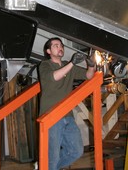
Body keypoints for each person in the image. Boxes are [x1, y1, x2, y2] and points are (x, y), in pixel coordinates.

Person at [38, 37, 96, 170]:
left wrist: (91, 65)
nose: (60, 47)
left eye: (61, 45)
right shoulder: (44, 65)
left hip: (68, 116)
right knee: (53, 157)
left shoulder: (67, 65)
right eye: (56, 45)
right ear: (48, 51)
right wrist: (72, 63)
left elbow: (88, 76)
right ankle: (46, 166)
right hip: (51, 116)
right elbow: (54, 77)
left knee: (76, 151)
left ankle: (44, 167)